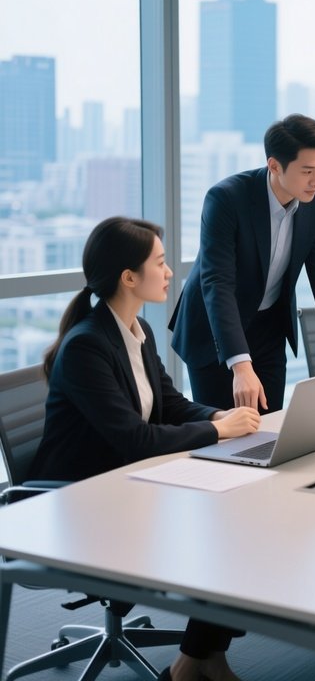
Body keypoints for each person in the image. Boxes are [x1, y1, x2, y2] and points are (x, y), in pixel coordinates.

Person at [31, 217, 262, 681]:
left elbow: (170, 404)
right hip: (81, 499)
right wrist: (219, 433)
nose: (170, 272)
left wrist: (219, 417)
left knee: (243, 517)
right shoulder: (86, 347)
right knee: (222, 530)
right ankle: (196, 662)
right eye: (160, 262)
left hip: (129, 483)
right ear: (129, 277)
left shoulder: (137, 331)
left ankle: (200, 658)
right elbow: (134, 439)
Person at [169, 114, 315, 413]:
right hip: (216, 332)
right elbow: (218, 283)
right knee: (224, 434)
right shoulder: (226, 198)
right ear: (275, 166)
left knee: (270, 429)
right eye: (307, 171)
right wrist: (240, 366)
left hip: (268, 328)